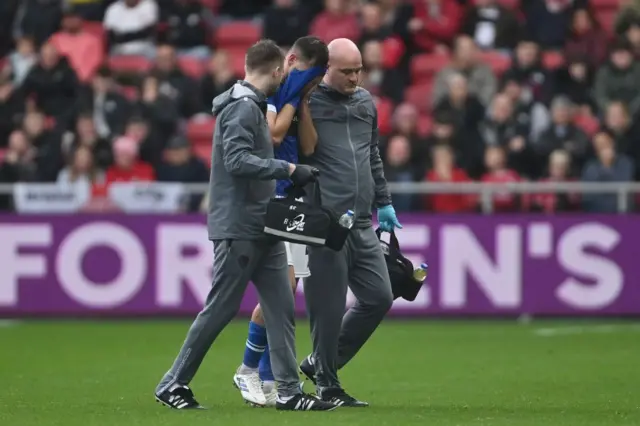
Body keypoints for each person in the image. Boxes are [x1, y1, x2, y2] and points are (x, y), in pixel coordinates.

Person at [154, 39, 336, 412]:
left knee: (280, 307)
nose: (284, 77)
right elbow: (236, 160)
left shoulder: (247, 105)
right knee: (220, 308)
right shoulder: (242, 109)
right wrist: (285, 168)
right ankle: (172, 383)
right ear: (274, 71)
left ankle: (287, 391)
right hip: (239, 226)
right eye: (282, 73)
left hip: (261, 222)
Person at [298, 38, 402, 406]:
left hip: (360, 221)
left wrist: (384, 203)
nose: (355, 77)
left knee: (379, 297)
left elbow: (372, 154)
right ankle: (327, 384)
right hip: (325, 224)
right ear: (326, 68)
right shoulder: (307, 103)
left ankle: (321, 363)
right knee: (326, 309)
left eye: (358, 70)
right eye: (347, 71)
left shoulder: (365, 103)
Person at [233, 35, 329, 407]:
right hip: (272, 198)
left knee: (286, 293)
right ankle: (248, 370)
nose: (312, 85)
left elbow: (308, 147)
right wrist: (291, 97)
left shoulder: (295, 95)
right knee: (280, 292)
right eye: (310, 77)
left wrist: (303, 103)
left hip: (293, 200)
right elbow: (272, 136)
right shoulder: (270, 92)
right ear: (291, 61)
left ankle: (269, 379)